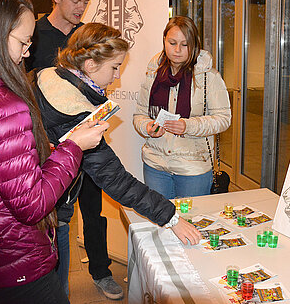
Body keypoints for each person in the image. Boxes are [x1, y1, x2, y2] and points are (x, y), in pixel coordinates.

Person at [32, 22, 202, 298]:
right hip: (47, 217)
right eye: (114, 67)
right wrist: (170, 217)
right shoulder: (75, 113)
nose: (116, 76)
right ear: (89, 65)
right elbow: (116, 180)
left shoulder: (49, 78)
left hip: (37, 211)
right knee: (54, 293)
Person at [0, 0, 109, 304]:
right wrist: (73, 146)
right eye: (23, 41)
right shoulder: (3, 104)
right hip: (15, 260)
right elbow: (32, 204)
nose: (28, 52)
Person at [25, 0, 123, 299]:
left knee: (94, 211)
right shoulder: (34, 34)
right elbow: (24, 89)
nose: (81, 7)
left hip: (88, 139)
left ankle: (101, 271)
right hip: (50, 147)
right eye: (76, 0)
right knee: (53, 220)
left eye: (86, 1)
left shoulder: (85, 37)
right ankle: (52, 282)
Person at [133, 16, 231, 200]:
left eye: (184, 45)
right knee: (160, 224)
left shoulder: (208, 76)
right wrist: (146, 127)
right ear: (164, 40)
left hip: (193, 167)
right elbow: (139, 115)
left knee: (191, 224)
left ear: (194, 45)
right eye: (172, 43)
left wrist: (188, 126)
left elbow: (224, 118)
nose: (177, 50)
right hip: (155, 164)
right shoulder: (153, 73)